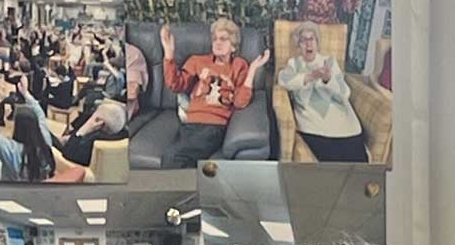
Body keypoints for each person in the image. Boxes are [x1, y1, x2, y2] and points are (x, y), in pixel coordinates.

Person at [158, 19, 267, 167]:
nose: (217, 43)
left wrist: (252, 70)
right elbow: (175, 85)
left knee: (173, 157)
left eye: (223, 39)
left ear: (233, 46)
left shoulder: (238, 65)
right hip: (190, 124)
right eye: (215, 39)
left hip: (214, 127)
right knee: (179, 160)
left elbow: (240, 102)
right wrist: (169, 55)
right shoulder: (197, 61)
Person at [275, 22, 369, 164]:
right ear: (298, 46)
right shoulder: (293, 64)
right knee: (333, 167)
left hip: (344, 124)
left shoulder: (329, 62)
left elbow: (344, 93)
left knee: (360, 167)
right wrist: (310, 76)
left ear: (317, 43)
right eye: (303, 40)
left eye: (311, 39)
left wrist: (328, 79)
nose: (308, 44)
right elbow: (283, 80)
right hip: (314, 125)